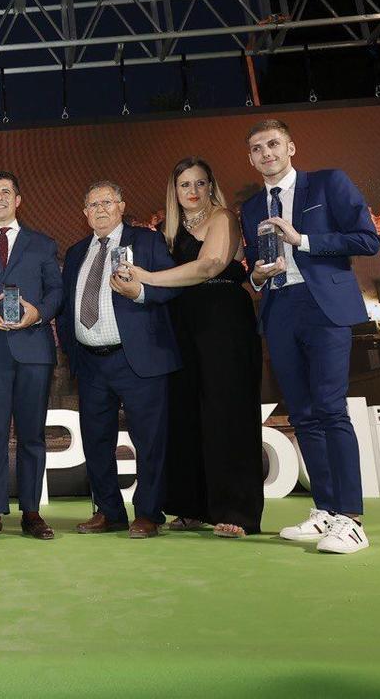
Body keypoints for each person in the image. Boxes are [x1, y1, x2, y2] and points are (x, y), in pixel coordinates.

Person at [239, 119, 380, 554]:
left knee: (330, 408)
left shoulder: (328, 183)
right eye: (257, 148)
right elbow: (253, 267)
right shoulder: (248, 208)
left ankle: (351, 519)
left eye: (274, 144)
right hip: (280, 310)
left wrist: (302, 240)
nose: (267, 153)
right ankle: (326, 511)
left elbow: (367, 239)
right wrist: (257, 277)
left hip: (324, 306)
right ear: (250, 158)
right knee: (301, 414)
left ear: (291, 147)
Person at [124, 158, 263, 538]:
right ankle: (190, 506)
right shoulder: (167, 230)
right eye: (185, 184)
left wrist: (148, 278)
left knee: (226, 412)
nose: (193, 191)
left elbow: (210, 265)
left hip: (223, 322)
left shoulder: (224, 218)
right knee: (183, 413)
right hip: (181, 324)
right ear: (175, 191)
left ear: (210, 186)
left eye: (200, 183)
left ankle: (236, 509)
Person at [56, 181, 180, 539]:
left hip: (138, 359)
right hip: (91, 363)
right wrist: (73, 348)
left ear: (122, 206)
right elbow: (66, 308)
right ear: (84, 213)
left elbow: (170, 287)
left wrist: (140, 291)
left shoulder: (147, 242)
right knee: (96, 441)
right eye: (92, 204)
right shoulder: (77, 251)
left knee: (150, 440)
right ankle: (109, 511)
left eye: (107, 202)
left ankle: (148, 513)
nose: (100, 209)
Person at [0, 171, 63, 542]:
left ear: (18, 200)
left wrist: (39, 313)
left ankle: (32, 512)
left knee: (33, 435)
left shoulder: (43, 243)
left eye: (6, 192)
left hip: (33, 348)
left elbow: (56, 291)